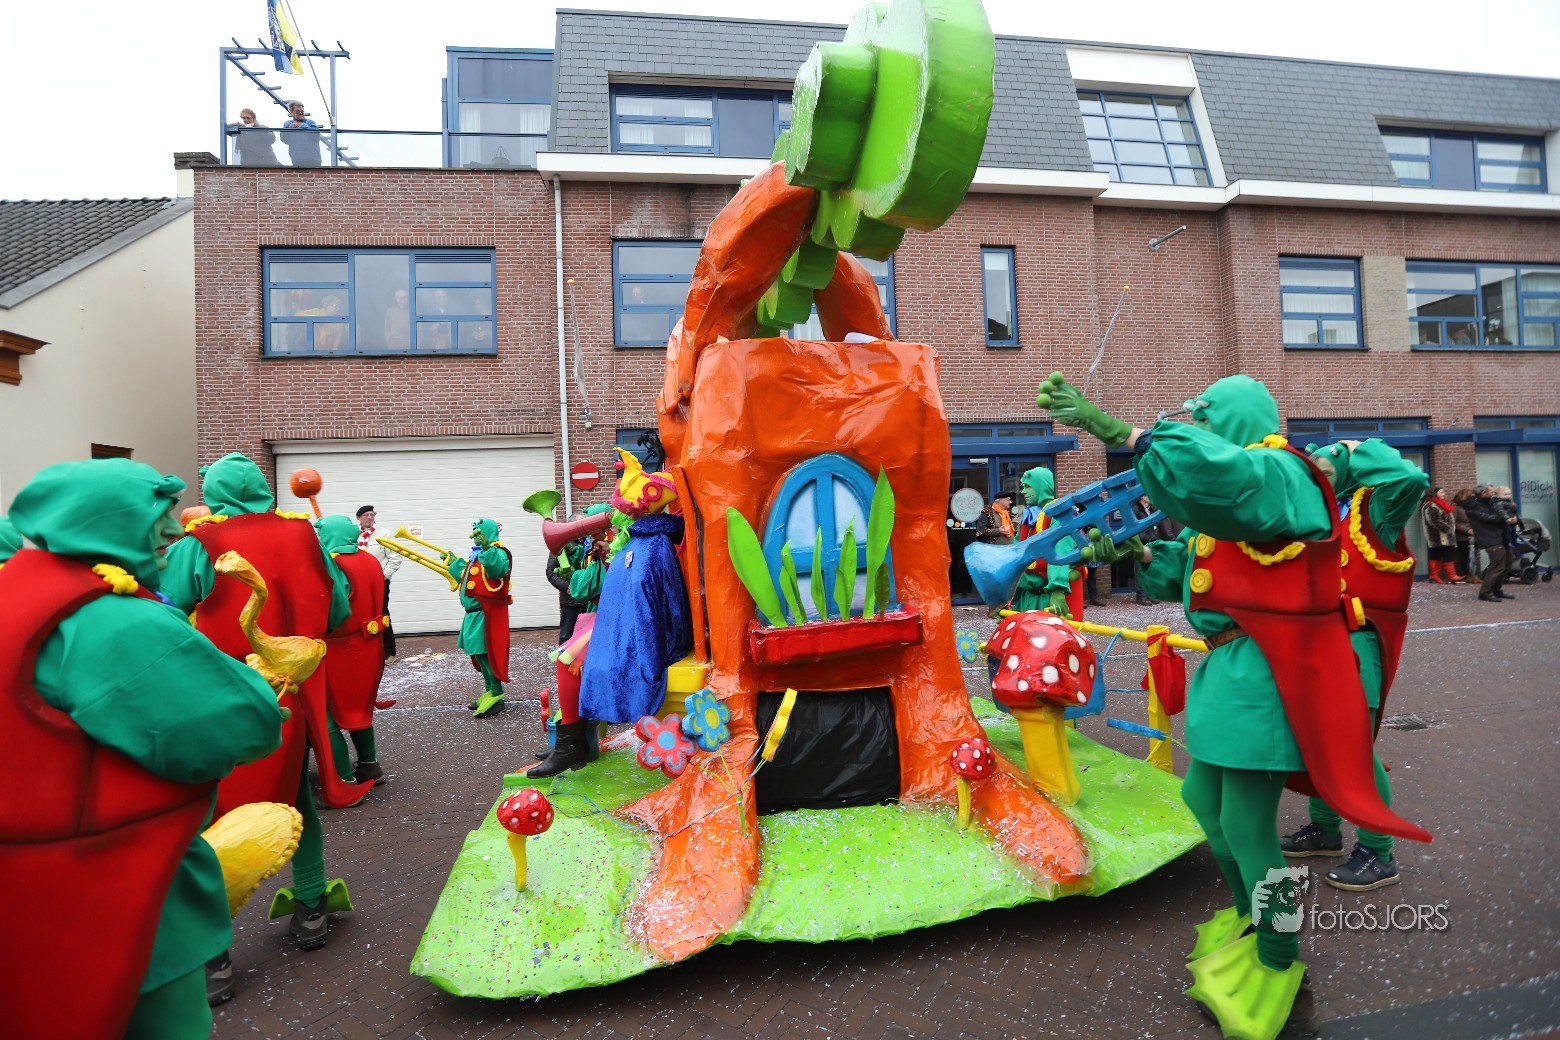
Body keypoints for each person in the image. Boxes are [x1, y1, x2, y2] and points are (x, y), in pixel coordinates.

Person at [1037, 371, 1429, 1039]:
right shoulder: (1247, 489)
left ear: (1240, 418)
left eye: (1207, 414)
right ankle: (1252, 916)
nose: (1199, 424)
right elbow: (1200, 574)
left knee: (1248, 828)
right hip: (1230, 670)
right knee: (1203, 802)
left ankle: (1278, 955)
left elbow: (1214, 476)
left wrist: (1120, 430)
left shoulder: (1281, 475)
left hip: (1264, 674)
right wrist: (1137, 550)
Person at [2, 459, 283, 1039]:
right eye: (158, 515)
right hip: (114, 880)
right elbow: (239, 723)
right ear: (104, 521)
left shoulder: (17, 593)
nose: (175, 530)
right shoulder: (110, 620)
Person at [160, 452, 366, 999]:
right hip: (290, 694)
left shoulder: (198, 543)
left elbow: (163, 617)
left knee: (209, 813)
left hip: (220, 694)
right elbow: (338, 612)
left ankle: (214, 956)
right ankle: (312, 908)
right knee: (292, 796)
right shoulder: (305, 536)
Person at [1279, 438, 1427, 891]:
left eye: (1327, 465)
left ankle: (1379, 852)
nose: (1317, 474)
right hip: (1313, 646)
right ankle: (1325, 830)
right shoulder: (1316, 513)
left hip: (1356, 646)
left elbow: (1410, 478)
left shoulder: (1374, 509)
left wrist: (1359, 448)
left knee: (1355, 752)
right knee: (1317, 744)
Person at [317, 515, 390, 785]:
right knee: (360, 707)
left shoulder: (334, 564)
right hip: (370, 646)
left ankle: (343, 781)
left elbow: (330, 611)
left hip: (341, 649)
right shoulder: (369, 559)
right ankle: (369, 765)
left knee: (325, 713)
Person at [444, 518, 512, 718]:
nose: (475, 536)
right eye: (474, 532)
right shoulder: (477, 555)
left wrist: (488, 548)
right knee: (480, 657)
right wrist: (453, 562)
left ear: (488, 533)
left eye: (478, 532)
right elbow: (467, 577)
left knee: (489, 656)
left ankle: (497, 695)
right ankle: (490, 689)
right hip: (473, 616)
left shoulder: (498, 552)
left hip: (486, 615)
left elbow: (497, 570)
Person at [1010, 466, 1084, 619]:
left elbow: (1061, 554)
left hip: (1050, 596)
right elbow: (1017, 556)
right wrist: (1008, 595)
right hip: (1028, 596)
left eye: (1028, 486)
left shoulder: (1059, 514)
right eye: (1023, 487)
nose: (1023, 491)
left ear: (1042, 486)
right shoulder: (1028, 517)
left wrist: (1057, 590)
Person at [357, 505, 400, 661]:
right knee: (362, 615)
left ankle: (390, 652)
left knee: (381, 613)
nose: (369, 517)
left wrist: (384, 576)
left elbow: (395, 558)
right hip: (359, 582)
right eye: (366, 515)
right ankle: (370, 650)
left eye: (372, 514)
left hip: (379, 582)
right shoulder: (353, 534)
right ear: (359, 518)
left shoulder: (384, 534)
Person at [1464, 483, 1518, 602]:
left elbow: (1505, 511)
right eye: (1491, 492)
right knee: (1497, 566)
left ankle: (1496, 589)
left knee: (1508, 563)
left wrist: (1514, 519)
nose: (1493, 494)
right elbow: (1488, 518)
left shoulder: (1491, 502)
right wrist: (1506, 518)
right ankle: (1485, 592)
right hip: (1490, 538)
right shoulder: (1473, 506)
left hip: (1502, 537)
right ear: (1483, 493)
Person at [545, 522, 594, 644]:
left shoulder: (590, 542)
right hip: (570, 601)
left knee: (587, 636)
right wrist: (567, 587)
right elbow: (550, 572)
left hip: (589, 600)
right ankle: (563, 657)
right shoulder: (561, 544)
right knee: (567, 636)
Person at [1419, 486, 1462, 583]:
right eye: (1441, 492)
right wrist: (1447, 528)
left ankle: (1437, 575)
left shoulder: (1440, 504)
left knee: (1438, 554)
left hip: (1444, 535)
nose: (1444, 494)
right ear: (1434, 494)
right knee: (1444, 554)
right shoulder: (1430, 505)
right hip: (1439, 536)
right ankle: (1448, 575)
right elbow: (1433, 521)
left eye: (1444, 492)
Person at [281, 100, 323, 167]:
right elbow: (284, 140)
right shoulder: (288, 124)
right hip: (297, 160)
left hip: (313, 160)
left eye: (302, 111)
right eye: (298, 111)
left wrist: (302, 125)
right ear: (292, 113)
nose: (301, 113)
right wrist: (288, 128)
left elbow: (316, 137)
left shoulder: (310, 123)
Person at [1452, 488, 1476, 582]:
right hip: (1462, 537)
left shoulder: (1472, 506)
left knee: (1473, 556)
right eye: (1470, 496)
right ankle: (1466, 574)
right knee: (1464, 557)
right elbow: (1453, 522)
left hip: (1474, 536)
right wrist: (1467, 530)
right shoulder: (1456, 507)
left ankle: (1474, 574)